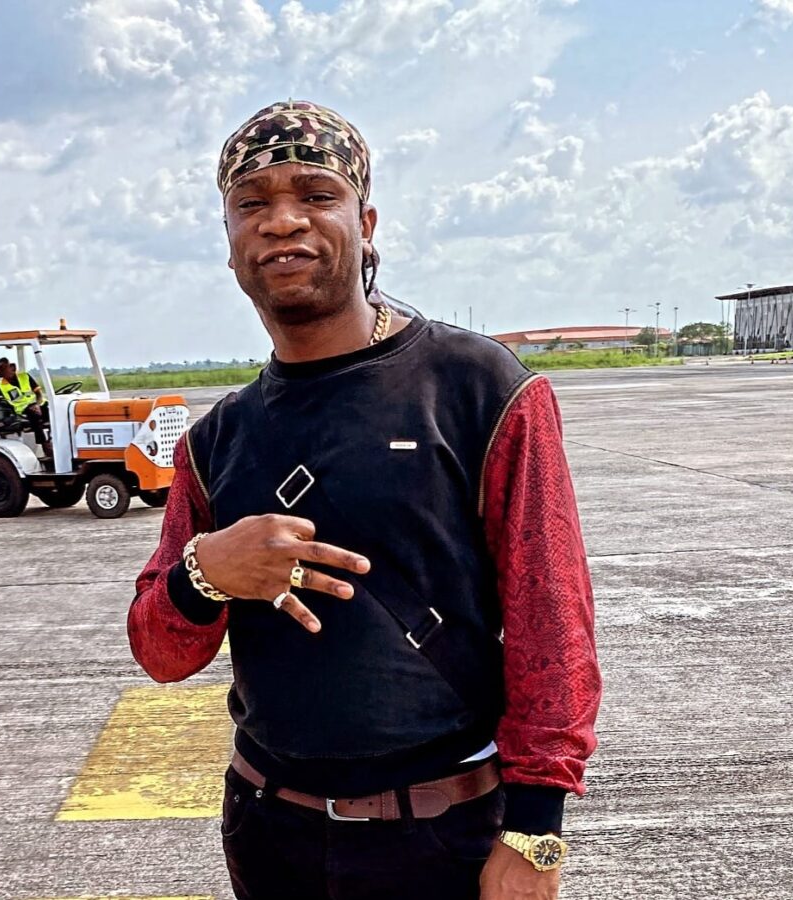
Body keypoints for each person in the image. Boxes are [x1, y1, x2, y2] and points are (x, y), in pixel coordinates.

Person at [128, 101, 601, 900]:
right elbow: (160, 652)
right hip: (268, 832)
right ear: (230, 243)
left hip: (442, 837)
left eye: (316, 195)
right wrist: (204, 573)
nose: (283, 220)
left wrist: (535, 833)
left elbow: (551, 622)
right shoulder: (217, 440)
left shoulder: (477, 389)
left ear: (366, 222)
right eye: (252, 203)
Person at [0, 357, 52, 456]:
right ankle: (45, 445)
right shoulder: (1, 386)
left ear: (12, 368)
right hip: (23, 410)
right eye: (2, 370)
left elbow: (39, 394)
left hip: (38, 404)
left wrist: (37, 404)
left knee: (54, 411)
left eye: (7, 368)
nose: (6, 372)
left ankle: (54, 440)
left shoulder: (25, 377)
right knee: (34, 415)